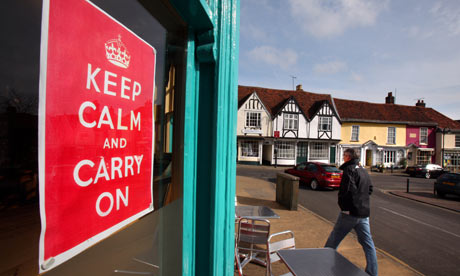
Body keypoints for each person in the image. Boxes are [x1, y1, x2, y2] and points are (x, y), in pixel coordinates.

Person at [325, 148, 378, 276]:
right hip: (364, 213)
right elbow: (370, 189)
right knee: (368, 244)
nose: (343, 157)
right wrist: (361, 200)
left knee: (333, 241)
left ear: (348, 157)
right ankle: (372, 272)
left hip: (350, 213)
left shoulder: (349, 170)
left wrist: (344, 207)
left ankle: (324, 267)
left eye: (344, 155)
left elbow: (347, 191)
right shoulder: (363, 170)